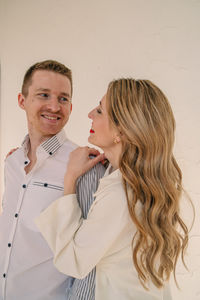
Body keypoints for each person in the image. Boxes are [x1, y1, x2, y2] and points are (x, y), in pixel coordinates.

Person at [35, 78, 189, 300]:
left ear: (122, 131)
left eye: (99, 111)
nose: (90, 114)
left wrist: (70, 178)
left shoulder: (121, 195)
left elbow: (73, 261)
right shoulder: (139, 184)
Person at [0, 60, 105, 300]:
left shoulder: (86, 166)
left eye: (63, 98)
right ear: (21, 101)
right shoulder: (12, 162)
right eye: (44, 95)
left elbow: (89, 261)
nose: (54, 106)